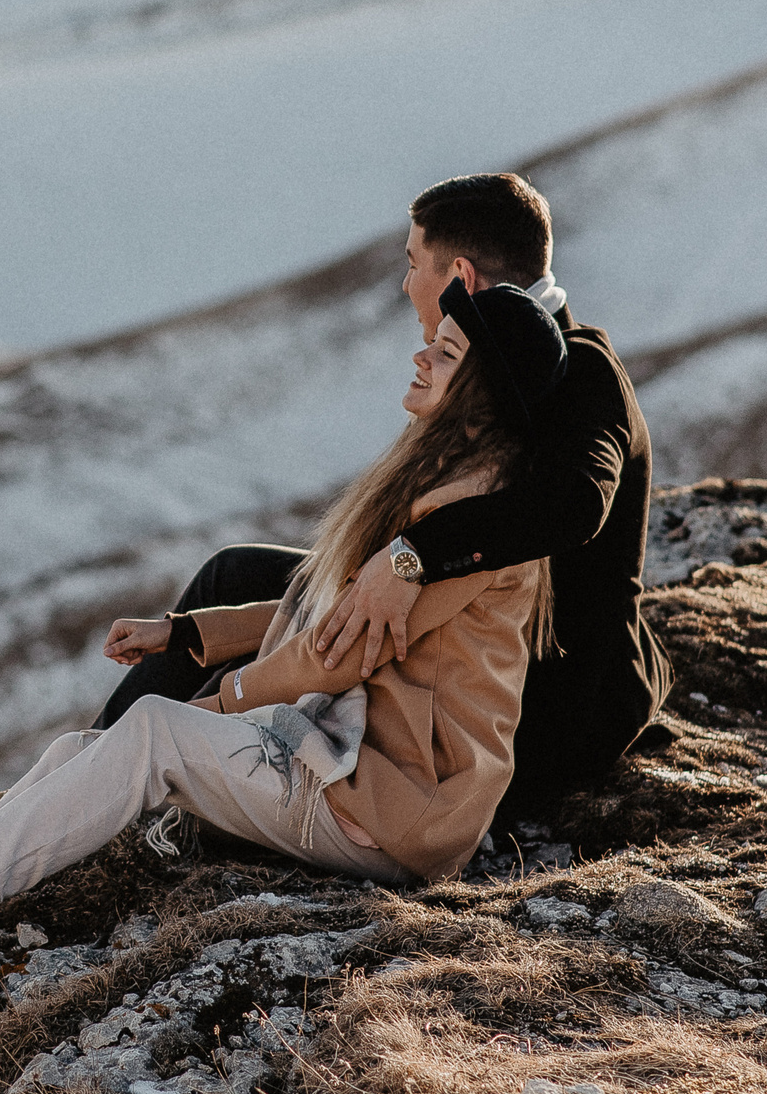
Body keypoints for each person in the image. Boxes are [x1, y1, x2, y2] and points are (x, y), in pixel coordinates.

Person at [0, 278, 566, 994]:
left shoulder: (465, 523)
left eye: (447, 353)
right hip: (350, 759)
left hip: (392, 806)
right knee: (75, 751)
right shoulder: (445, 491)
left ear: (482, 397)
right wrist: (192, 632)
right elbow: (321, 606)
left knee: (153, 732)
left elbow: (336, 650)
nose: (422, 352)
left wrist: (223, 695)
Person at [86, 172, 666, 826]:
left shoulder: (583, 370)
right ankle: (88, 771)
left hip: (536, 700)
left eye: (414, 263)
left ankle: (110, 787)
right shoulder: (479, 352)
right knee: (237, 572)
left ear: (461, 278)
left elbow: (575, 504)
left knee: (300, 619)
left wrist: (411, 556)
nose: (404, 283)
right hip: (454, 619)